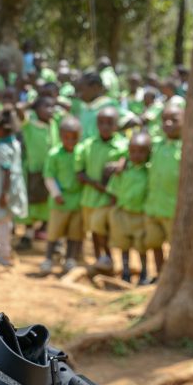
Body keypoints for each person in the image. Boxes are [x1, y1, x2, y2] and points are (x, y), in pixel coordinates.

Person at [78, 106, 127, 272]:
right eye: (101, 122)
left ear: (116, 125)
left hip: (109, 199)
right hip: (90, 197)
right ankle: (100, 259)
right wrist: (97, 185)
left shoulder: (123, 146)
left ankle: (110, 260)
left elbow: (130, 162)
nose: (105, 126)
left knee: (103, 230)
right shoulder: (88, 145)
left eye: (109, 123)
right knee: (94, 231)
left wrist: (120, 164)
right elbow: (79, 172)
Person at [40, 116, 85, 276]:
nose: (70, 141)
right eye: (67, 137)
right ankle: (48, 259)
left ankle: (70, 259)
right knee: (54, 231)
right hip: (60, 200)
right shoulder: (54, 154)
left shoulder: (82, 152)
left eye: (74, 137)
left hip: (77, 199)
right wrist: (56, 193)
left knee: (75, 232)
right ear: (60, 136)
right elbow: (49, 176)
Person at [144, 102, 184, 277]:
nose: (168, 124)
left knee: (175, 245)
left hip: (173, 209)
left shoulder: (186, 147)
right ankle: (159, 275)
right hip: (153, 206)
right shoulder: (156, 145)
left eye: (174, 120)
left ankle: (174, 276)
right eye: (164, 120)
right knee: (154, 242)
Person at [0, 109, 26, 265]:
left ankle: (4, 253)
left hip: (3, 187)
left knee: (3, 221)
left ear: (2, 129)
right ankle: (1, 246)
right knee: (6, 219)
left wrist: (4, 193)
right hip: (11, 186)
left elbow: (6, 172)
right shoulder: (14, 143)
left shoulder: (2, 149)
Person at [107, 132, 152, 284]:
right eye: (133, 151)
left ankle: (144, 273)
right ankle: (125, 272)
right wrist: (113, 211)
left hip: (141, 215)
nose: (136, 155)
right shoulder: (123, 170)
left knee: (141, 246)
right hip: (123, 213)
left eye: (141, 152)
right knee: (123, 245)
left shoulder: (149, 171)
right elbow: (113, 190)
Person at [19, 94, 59, 249]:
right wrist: (32, 103)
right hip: (33, 171)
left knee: (49, 202)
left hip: (51, 172)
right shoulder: (29, 124)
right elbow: (19, 109)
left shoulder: (54, 124)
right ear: (36, 109)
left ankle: (51, 236)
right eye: (45, 106)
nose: (50, 110)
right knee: (32, 202)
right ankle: (28, 234)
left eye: (52, 106)